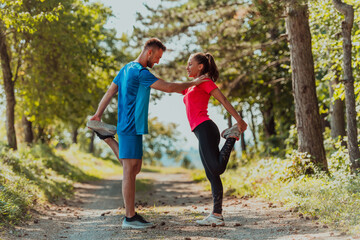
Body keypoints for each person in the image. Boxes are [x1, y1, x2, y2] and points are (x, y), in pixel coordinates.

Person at [88, 38, 207, 229]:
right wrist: (195, 84)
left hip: (134, 125)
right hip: (129, 125)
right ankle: (129, 217)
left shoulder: (126, 68)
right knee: (129, 169)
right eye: (158, 57)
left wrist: (98, 114)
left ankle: (107, 138)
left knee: (135, 167)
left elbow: (110, 92)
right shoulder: (140, 72)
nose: (158, 62)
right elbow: (168, 87)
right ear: (149, 52)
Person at [180, 52, 248, 226]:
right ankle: (216, 215)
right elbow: (169, 87)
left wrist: (238, 120)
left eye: (190, 64)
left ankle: (231, 136)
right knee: (212, 175)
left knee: (216, 169)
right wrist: (146, 80)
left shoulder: (204, 81)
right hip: (200, 131)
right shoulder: (191, 85)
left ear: (200, 66)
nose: (187, 67)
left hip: (206, 128)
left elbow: (223, 99)